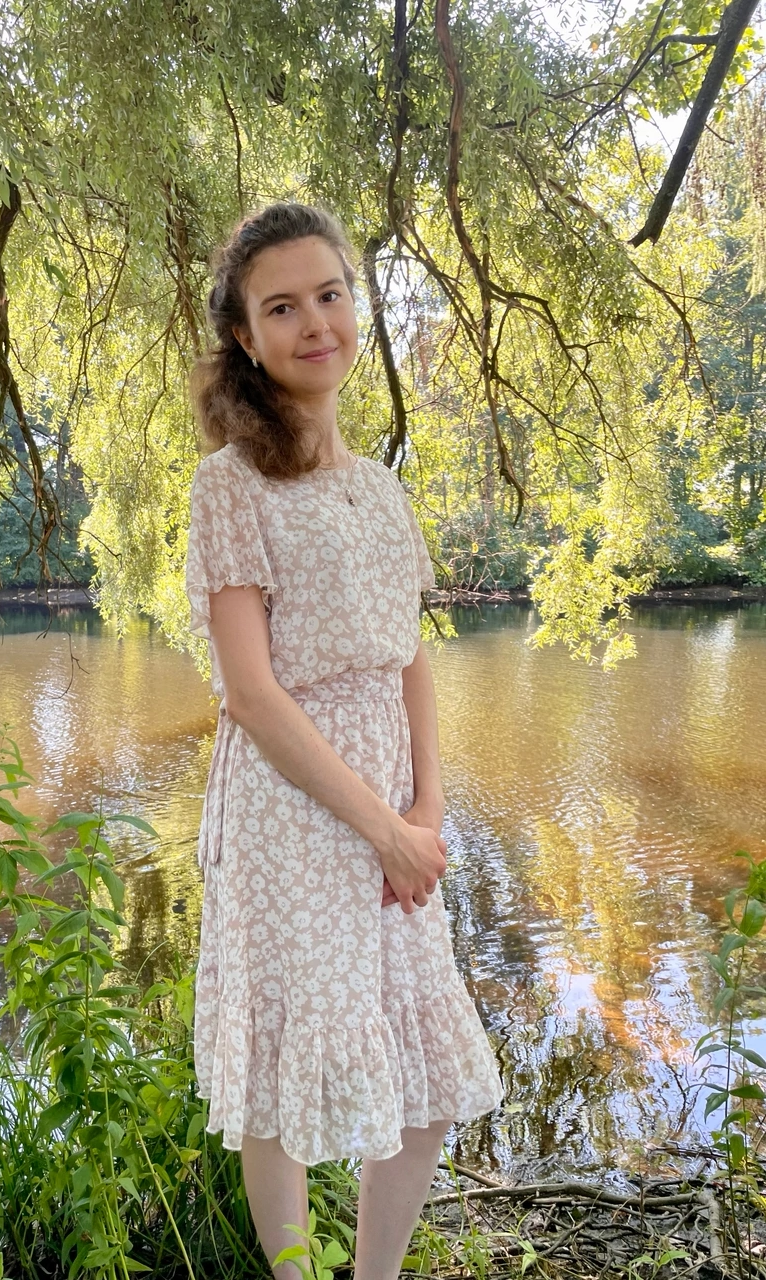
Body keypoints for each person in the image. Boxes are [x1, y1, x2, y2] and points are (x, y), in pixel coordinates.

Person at [184, 202, 504, 1280]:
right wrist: (382, 828)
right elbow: (252, 694)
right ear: (246, 336)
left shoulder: (380, 487)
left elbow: (409, 656)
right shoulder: (231, 485)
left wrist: (427, 809)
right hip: (292, 808)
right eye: (282, 307)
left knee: (424, 1078)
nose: (315, 322)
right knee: (284, 1080)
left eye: (329, 294)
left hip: (393, 806)